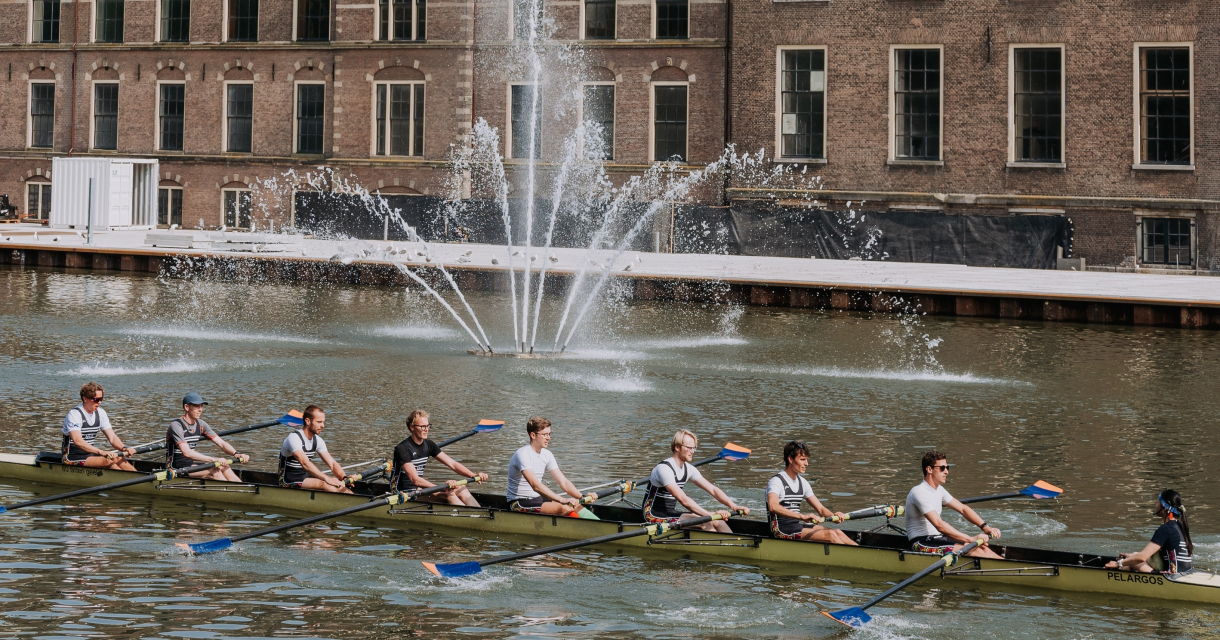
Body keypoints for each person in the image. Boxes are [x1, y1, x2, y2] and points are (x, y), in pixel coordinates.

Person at [642, 429, 749, 533]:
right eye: (689, 448)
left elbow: (713, 489)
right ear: (677, 447)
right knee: (705, 522)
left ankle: (732, 546)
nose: (692, 451)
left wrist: (733, 506)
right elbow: (684, 500)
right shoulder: (664, 469)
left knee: (718, 521)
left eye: (694, 448)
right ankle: (720, 549)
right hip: (653, 515)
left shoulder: (688, 469)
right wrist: (709, 515)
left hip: (670, 512)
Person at [904, 451, 1002, 558]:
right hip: (921, 543)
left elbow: (963, 509)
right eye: (942, 468)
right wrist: (970, 539)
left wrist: (986, 527)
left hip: (938, 538)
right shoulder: (919, 492)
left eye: (947, 468)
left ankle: (1007, 568)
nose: (946, 472)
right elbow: (940, 525)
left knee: (983, 549)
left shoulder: (939, 490)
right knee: (976, 551)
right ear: (929, 469)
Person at [765, 441, 857, 545]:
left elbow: (821, 509)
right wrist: (802, 516)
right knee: (830, 535)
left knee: (837, 532)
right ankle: (854, 559)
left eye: (807, 460)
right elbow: (773, 506)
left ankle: (861, 554)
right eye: (802, 459)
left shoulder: (802, 482)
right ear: (790, 459)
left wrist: (834, 516)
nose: (806, 464)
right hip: (781, 530)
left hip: (796, 526)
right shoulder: (776, 481)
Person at [392, 410, 488, 506]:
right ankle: (470, 518)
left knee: (461, 488)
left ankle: (481, 514)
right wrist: (441, 487)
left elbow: (453, 464)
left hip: (419, 490)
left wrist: (472, 475)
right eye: (422, 426)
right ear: (412, 427)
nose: (426, 429)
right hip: (403, 493)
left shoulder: (429, 445)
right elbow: (415, 480)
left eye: (428, 425)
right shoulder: (402, 449)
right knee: (449, 494)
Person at [505, 417, 596, 516]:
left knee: (576, 505)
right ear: (533, 435)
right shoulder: (522, 454)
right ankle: (587, 529)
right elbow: (535, 485)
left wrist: (581, 497)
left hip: (538, 498)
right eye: (544, 435)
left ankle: (598, 527)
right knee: (564, 508)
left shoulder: (547, 454)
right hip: (519, 503)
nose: (548, 438)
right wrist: (562, 500)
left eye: (549, 434)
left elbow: (563, 482)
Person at [1105, 490, 1194, 575]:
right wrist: (1130, 556)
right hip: (1184, 572)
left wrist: (1118, 563)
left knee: (1128, 564)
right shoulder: (1178, 525)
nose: (1155, 505)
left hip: (1171, 576)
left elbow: (1143, 557)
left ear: (1164, 508)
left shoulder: (1166, 529)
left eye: (1157, 502)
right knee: (1134, 555)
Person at [166, 392, 249, 481]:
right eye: (197, 406)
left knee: (224, 466)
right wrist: (213, 459)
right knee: (214, 470)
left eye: (201, 406)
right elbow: (186, 452)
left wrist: (236, 453)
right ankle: (231, 493)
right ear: (186, 407)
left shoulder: (200, 424)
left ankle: (240, 488)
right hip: (175, 469)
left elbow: (221, 443)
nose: (200, 410)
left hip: (190, 466)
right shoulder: (176, 426)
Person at [61, 382, 136, 471]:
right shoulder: (74, 414)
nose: (99, 402)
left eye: (101, 399)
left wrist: (124, 448)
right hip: (72, 457)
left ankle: (140, 480)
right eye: (96, 399)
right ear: (85, 398)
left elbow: (112, 437)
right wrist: (101, 452)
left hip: (91, 454)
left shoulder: (101, 413)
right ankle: (128, 481)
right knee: (107, 461)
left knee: (118, 458)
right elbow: (78, 441)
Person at [278, 405, 351, 493]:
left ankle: (356, 502)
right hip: (287, 481)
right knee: (325, 483)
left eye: (323, 422)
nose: (322, 425)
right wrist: (327, 479)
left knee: (336, 482)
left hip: (306, 477)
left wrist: (344, 477)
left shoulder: (318, 440)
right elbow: (305, 463)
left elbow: (332, 464)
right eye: (319, 422)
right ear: (308, 421)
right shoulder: (294, 438)